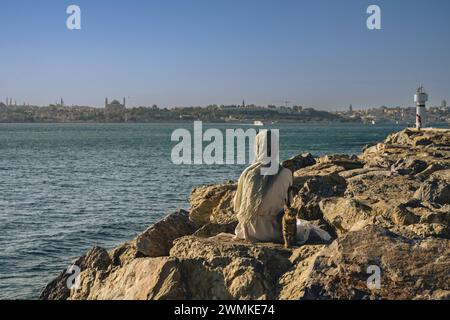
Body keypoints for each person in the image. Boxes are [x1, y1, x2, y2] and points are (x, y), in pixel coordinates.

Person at [233, 129, 331, 244]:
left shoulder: (248, 173)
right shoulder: (285, 173)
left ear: (258, 147)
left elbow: (238, 205)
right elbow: (288, 203)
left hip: (249, 231)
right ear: (275, 147)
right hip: (276, 230)